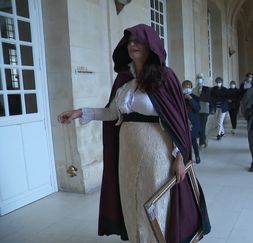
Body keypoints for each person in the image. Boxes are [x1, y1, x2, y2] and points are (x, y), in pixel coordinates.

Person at [57, 24, 210, 243]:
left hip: (156, 151)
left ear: (151, 45)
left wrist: (179, 156)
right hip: (127, 152)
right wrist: (80, 112)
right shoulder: (123, 80)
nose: (132, 45)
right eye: (129, 42)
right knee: (131, 197)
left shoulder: (164, 77)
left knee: (154, 202)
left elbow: (179, 121)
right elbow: (112, 112)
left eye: (138, 41)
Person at [182, 80, 201, 164]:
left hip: (193, 122)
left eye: (189, 87)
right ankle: (187, 158)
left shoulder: (195, 97)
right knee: (185, 142)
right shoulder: (179, 97)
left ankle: (197, 156)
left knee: (193, 141)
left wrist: (190, 99)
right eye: (185, 87)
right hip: (183, 122)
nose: (187, 89)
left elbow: (197, 108)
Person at [192, 73, 211, 148]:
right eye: (198, 77)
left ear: (203, 79)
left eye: (201, 78)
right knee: (198, 127)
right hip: (196, 110)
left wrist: (200, 93)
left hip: (204, 110)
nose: (199, 79)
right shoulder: (193, 90)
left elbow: (207, 99)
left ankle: (201, 142)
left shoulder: (207, 89)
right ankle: (203, 139)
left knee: (202, 126)